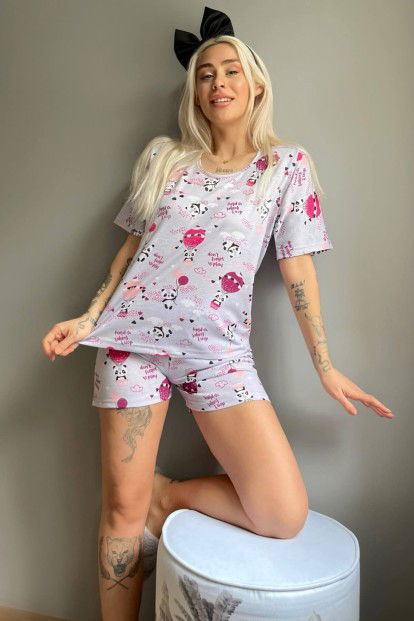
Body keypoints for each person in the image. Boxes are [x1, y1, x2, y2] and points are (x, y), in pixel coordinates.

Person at [41, 6, 394, 619]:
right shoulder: (164, 159)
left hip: (217, 352)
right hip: (131, 343)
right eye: (205, 74)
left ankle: (163, 499)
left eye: (231, 71)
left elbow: (299, 268)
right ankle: (137, 516)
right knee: (119, 512)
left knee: (282, 513)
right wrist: (89, 317)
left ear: (256, 85)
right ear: (194, 92)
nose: (218, 83)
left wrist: (325, 366)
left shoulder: (286, 166)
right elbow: (130, 252)